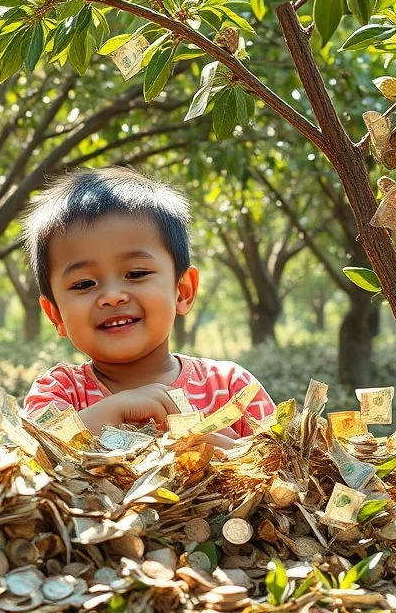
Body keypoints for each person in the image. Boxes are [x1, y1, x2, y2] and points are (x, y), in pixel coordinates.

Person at [20, 167, 275, 438]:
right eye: (84, 284)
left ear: (182, 291)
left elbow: (291, 469)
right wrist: (114, 412)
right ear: (55, 314)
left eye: (136, 274)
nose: (112, 296)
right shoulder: (58, 392)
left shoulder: (232, 389)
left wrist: (234, 457)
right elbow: (27, 453)